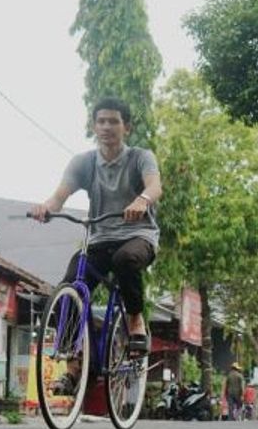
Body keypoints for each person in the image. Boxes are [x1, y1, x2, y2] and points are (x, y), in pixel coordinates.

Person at [31, 97, 162, 366]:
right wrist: (46, 208)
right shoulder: (84, 163)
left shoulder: (140, 157)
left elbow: (154, 186)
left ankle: (135, 319)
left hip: (138, 236)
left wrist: (142, 200)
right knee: (68, 288)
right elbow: (59, 197)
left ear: (127, 127)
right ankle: (72, 362)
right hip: (100, 239)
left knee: (124, 260)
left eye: (113, 121)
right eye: (101, 121)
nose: (106, 127)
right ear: (94, 126)